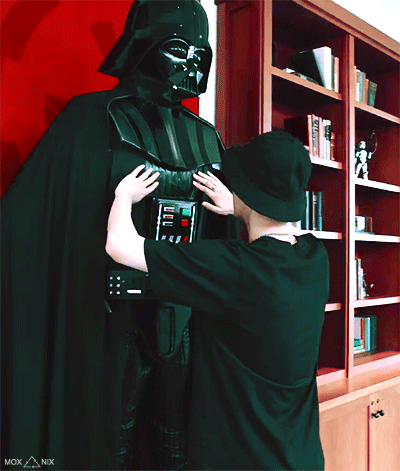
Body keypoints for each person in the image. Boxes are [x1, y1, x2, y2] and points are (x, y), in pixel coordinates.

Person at [1, 1, 235, 469]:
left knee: (177, 434)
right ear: (144, 44)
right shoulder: (91, 119)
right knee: (109, 435)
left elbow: (222, 239)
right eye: (178, 48)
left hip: (183, 313)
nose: (192, 64)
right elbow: (32, 222)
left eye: (201, 53)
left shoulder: (207, 137)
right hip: (110, 314)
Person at [106, 130, 329, 470]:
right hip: (300, 456)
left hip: (242, 460)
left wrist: (123, 195)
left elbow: (119, 245)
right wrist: (241, 209)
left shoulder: (234, 268)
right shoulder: (315, 257)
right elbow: (280, 234)